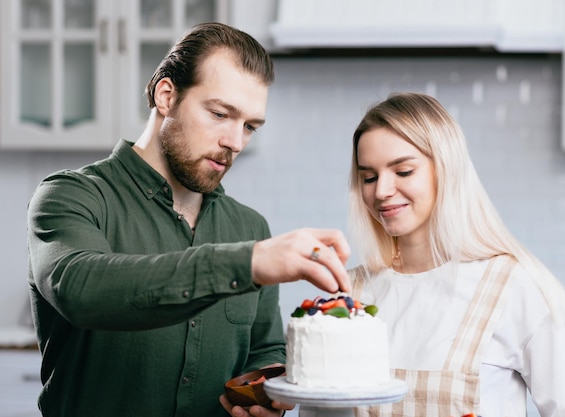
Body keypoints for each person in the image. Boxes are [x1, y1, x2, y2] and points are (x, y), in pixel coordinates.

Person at [26, 22, 350, 417]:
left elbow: (264, 350)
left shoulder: (249, 228)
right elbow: (80, 287)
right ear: (166, 95)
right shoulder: (70, 196)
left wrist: (263, 389)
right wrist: (248, 263)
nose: (236, 141)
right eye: (219, 114)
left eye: (249, 126)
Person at [346, 93, 565, 417]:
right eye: (368, 177)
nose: (381, 190)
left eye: (404, 171)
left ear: (446, 170)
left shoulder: (513, 286)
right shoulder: (349, 294)